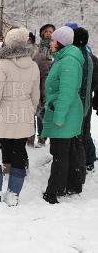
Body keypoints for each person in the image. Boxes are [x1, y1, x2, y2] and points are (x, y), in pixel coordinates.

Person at [0, 28, 40, 205]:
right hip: (22, 114)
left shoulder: (2, 64)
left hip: (0, 114)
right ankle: (13, 194)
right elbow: (35, 94)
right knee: (18, 154)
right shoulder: (33, 65)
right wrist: (30, 110)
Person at [42, 26, 85, 204]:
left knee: (61, 154)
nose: (50, 43)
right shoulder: (64, 58)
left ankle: (53, 192)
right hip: (65, 111)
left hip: (65, 114)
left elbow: (66, 92)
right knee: (69, 151)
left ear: (60, 43)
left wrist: (59, 117)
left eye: (53, 40)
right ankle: (73, 185)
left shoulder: (68, 61)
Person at [72, 27, 98, 172]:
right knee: (85, 131)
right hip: (86, 98)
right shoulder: (91, 57)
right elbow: (96, 81)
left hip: (80, 98)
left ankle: (84, 161)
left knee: (79, 132)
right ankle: (88, 160)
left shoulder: (76, 57)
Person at [33, 24, 55, 147]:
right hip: (40, 81)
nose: (48, 33)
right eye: (46, 31)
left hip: (52, 81)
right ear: (42, 33)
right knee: (40, 110)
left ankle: (53, 137)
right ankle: (41, 137)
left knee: (52, 110)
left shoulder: (56, 46)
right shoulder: (38, 47)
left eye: (50, 31)